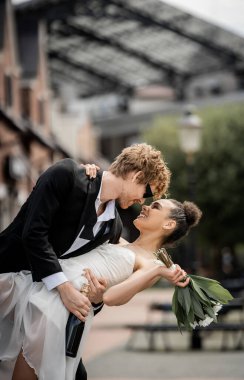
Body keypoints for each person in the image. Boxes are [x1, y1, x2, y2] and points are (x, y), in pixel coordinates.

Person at [0, 143, 170, 380]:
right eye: (146, 192)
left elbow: (84, 273)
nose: (142, 201)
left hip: (39, 302)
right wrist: (64, 288)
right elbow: (33, 234)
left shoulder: (113, 227)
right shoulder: (67, 175)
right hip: (6, 280)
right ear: (136, 175)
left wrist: (96, 299)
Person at [0, 198, 202, 380]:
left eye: (156, 206)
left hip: (57, 308)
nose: (146, 206)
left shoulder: (149, 265)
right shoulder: (117, 239)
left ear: (168, 224)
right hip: (47, 285)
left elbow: (111, 297)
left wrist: (158, 271)